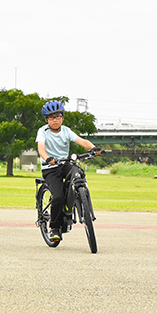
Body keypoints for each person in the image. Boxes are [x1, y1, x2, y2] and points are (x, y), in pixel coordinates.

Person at [36, 100, 101, 242]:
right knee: (58, 197)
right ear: (47, 119)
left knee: (78, 172)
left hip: (65, 164)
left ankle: (83, 202)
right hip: (50, 168)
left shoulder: (66, 130)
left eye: (58, 116)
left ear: (63, 117)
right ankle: (54, 228)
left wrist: (93, 148)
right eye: (52, 117)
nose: (56, 120)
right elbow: (41, 148)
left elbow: (81, 141)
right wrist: (47, 158)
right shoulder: (43, 131)